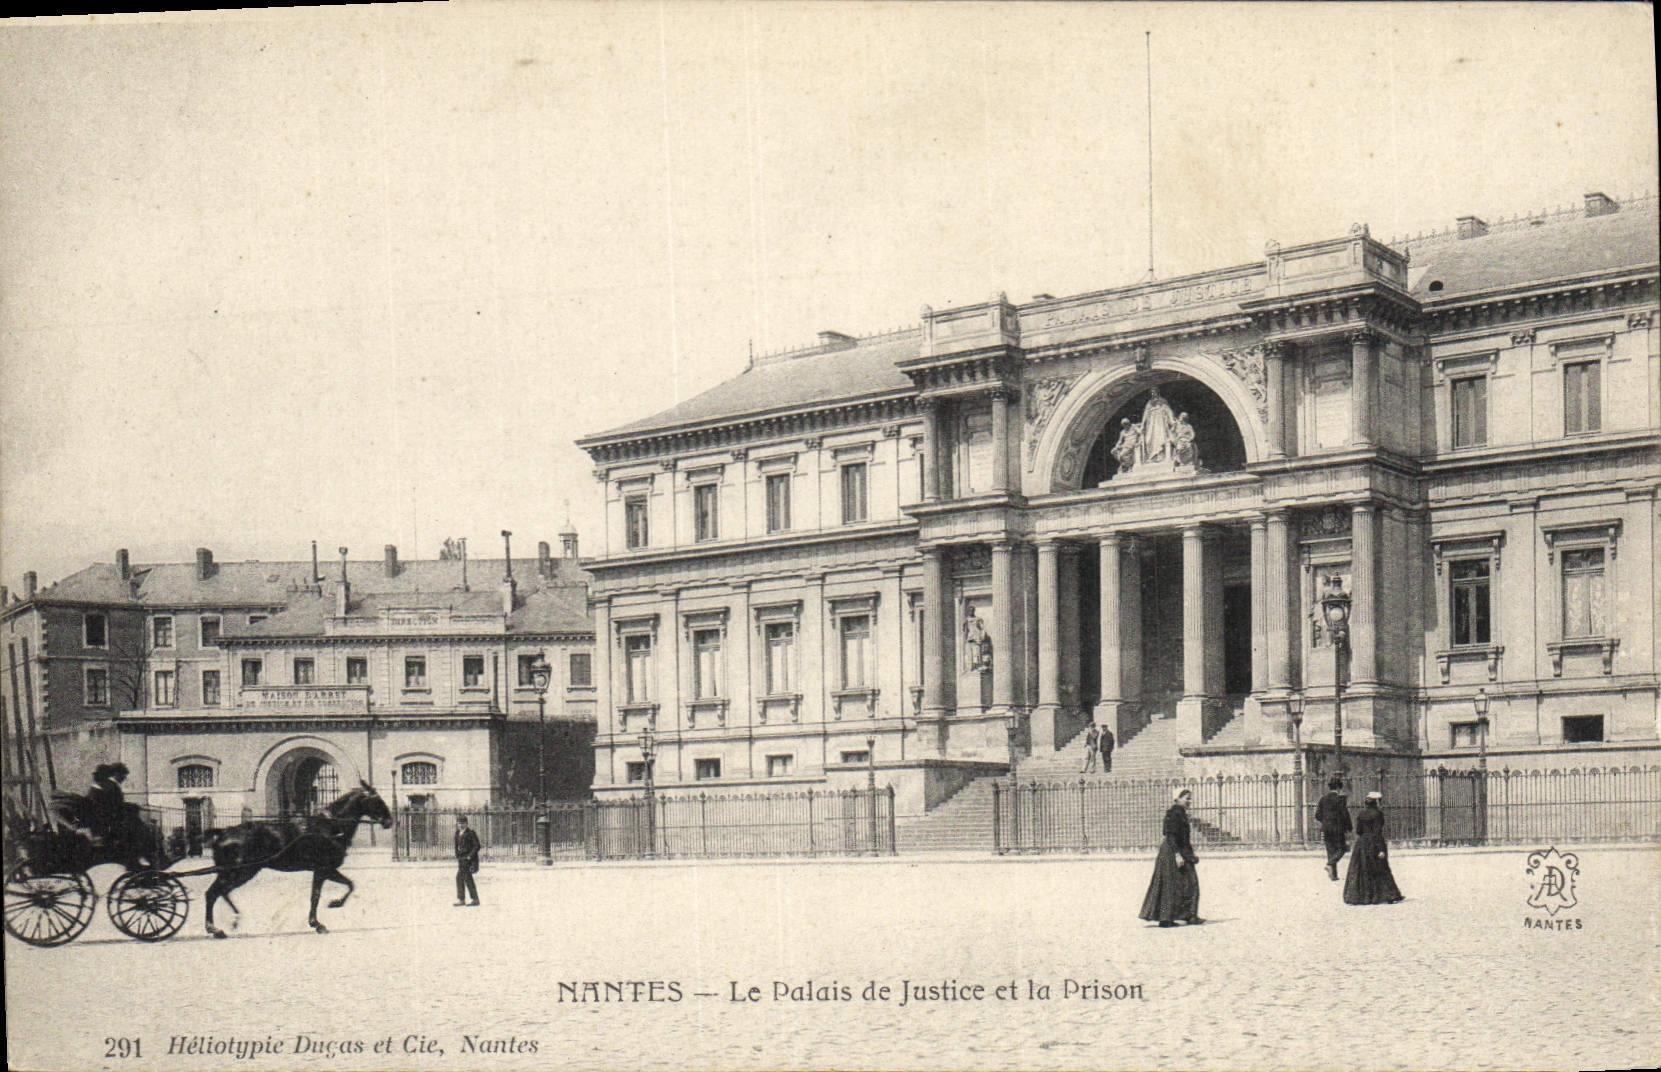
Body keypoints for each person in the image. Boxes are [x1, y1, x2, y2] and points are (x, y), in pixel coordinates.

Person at [1139, 788, 1202, 927]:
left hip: (1176, 851)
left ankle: (1184, 915)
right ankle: (1168, 918)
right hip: (1172, 852)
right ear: (1177, 799)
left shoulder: (1179, 813)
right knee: (1175, 885)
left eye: (1190, 798)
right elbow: (1170, 834)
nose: (1189, 801)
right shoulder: (1174, 814)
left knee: (1183, 884)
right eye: (1187, 798)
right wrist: (1178, 855)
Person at [1343, 791, 1405, 905]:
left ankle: (1364, 897)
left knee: (1362, 870)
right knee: (1381, 869)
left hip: (1362, 844)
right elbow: (1377, 832)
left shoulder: (1361, 814)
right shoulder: (1378, 814)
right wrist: (1381, 849)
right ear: (1376, 802)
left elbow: (1358, 831)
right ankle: (1388, 894)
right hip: (1374, 843)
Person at [1314, 776, 1352, 881]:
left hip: (1326, 828)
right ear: (1339, 788)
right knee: (1342, 848)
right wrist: (1349, 828)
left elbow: (1317, 815)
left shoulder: (1323, 799)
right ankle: (1330, 864)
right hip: (1338, 829)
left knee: (1330, 850)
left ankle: (1334, 875)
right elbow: (1345, 814)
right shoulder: (1340, 799)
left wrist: (1325, 822)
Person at [454, 815, 481, 907]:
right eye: (459, 823)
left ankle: (472, 899)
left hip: (468, 859)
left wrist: (469, 856)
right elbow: (456, 846)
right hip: (461, 859)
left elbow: (477, 846)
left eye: (463, 823)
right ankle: (465, 899)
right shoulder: (457, 833)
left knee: (465, 878)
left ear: (466, 824)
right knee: (461, 878)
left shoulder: (470, 833)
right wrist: (457, 855)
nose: (461, 825)